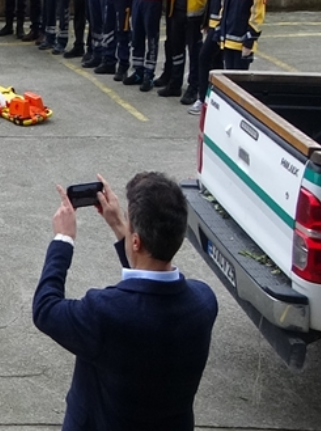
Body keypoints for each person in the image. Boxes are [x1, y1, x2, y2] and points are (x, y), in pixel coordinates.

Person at [34, 172, 217, 430]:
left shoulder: (104, 313)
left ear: (137, 241)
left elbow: (45, 309)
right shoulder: (204, 303)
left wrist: (63, 239)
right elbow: (148, 287)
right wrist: (121, 227)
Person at [189, 0, 242, 114]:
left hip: (222, 26)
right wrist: (206, 21)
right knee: (215, 63)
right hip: (212, 23)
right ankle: (212, 101)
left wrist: (220, 25)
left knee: (205, 59)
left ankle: (203, 99)